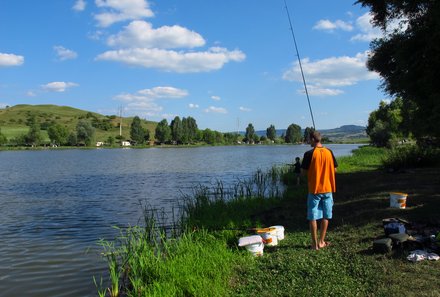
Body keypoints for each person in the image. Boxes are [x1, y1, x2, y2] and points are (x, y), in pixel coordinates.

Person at [301, 130, 337, 250]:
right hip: (328, 189)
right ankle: (321, 241)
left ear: (312, 139)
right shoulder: (329, 152)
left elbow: (303, 172)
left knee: (313, 217)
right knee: (325, 216)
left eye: (308, 139)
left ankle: (314, 244)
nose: (307, 141)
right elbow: (335, 169)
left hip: (314, 190)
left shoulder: (309, 154)